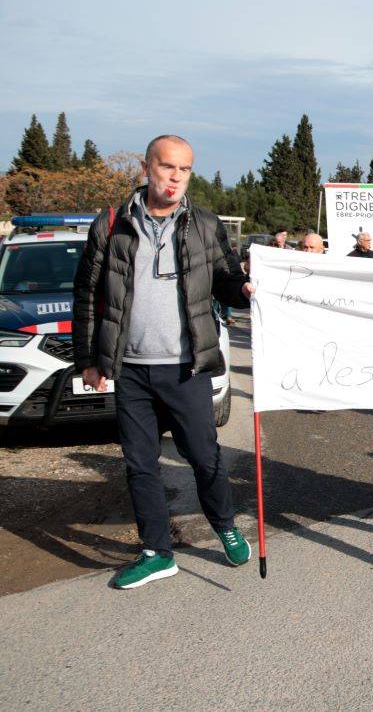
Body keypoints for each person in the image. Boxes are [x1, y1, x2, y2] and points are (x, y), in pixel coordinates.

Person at [72, 134, 254, 589]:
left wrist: (245, 291)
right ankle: (157, 551)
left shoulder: (205, 225)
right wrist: (89, 360)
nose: (176, 178)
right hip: (130, 368)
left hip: (185, 366)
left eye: (185, 169)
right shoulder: (111, 223)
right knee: (140, 464)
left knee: (205, 458)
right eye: (168, 167)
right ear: (146, 167)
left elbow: (226, 281)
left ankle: (225, 524)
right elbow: (88, 295)